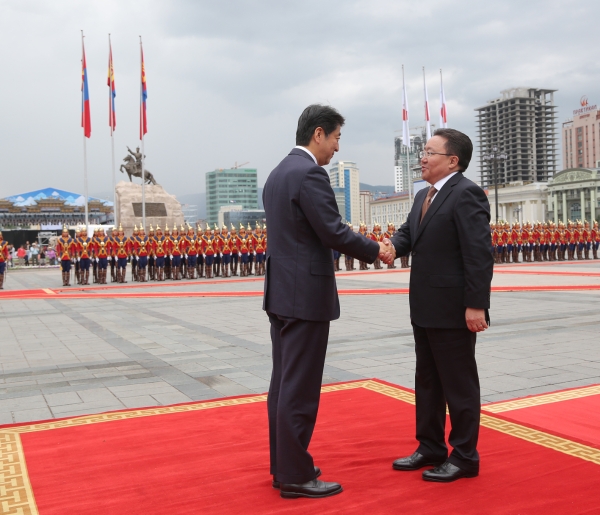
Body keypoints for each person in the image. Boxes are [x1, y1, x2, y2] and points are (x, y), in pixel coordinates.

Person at [262, 104, 389, 499]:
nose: (335, 149)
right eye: (335, 138)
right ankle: (297, 477)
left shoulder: (277, 173)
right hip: (304, 295)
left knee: (282, 385)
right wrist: (376, 250)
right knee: (299, 388)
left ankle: (286, 466)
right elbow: (332, 231)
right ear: (318, 134)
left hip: (281, 292)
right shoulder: (309, 174)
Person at [387, 128, 493, 483]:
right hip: (425, 306)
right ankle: (430, 446)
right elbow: (407, 234)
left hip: (453, 308)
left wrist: (476, 305)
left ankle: (464, 456)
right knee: (428, 381)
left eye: (429, 152)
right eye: (423, 151)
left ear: (452, 160)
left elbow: (479, 255)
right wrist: (386, 248)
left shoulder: (467, 194)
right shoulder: (423, 196)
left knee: (459, 384)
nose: (422, 157)